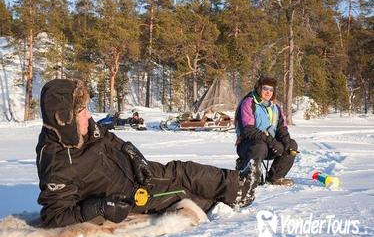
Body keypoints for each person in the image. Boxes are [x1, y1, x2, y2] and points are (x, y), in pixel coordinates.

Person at [36, 79, 256, 228]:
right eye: (82, 111)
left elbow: (108, 137)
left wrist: (132, 152)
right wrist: (99, 208)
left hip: (134, 170)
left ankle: (240, 185)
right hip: (129, 195)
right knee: (181, 187)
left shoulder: (83, 128)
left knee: (181, 170)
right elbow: (54, 217)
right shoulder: (56, 161)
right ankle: (227, 200)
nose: (89, 115)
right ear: (63, 118)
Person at [234, 76, 298, 188]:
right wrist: (272, 143)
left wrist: (285, 142)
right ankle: (248, 174)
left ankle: (275, 177)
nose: (268, 92)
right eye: (265, 88)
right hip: (249, 145)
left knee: (291, 145)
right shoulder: (248, 103)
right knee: (260, 146)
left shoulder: (275, 107)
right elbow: (249, 131)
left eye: (271, 90)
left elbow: (281, 128)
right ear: (259, 88)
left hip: (269, 145)